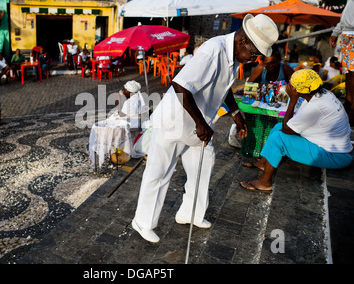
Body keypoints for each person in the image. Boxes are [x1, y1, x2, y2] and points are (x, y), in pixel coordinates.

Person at [131, 13, 278, 243]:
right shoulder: (213, 50)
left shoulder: (235, 56)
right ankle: (143, 222)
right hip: (176, 120)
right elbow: (180, 85)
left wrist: (236, 113)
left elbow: (225, 87)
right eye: (255, 53)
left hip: (199, 123)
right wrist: (200, 122)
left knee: (203, 166)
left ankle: (190, 214)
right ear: (243, 41)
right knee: (160, 172)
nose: (254, 58)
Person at [240, 69, 353, 192]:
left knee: (279, 138)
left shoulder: (316, 106)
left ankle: (265, 182)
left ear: (300, 90)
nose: (289, 87)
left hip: (336, 156)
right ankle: (263, 163)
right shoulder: (322, 93)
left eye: (291, 85)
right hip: (336, 150)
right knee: (278, 127)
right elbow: (288, 125)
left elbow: (287, 129)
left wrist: (292, 100)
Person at [330, 0, 354, 125]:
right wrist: (335, 31)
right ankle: (349, 104)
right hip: (346, 34)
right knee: (349, 73)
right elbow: (346, 13)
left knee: (353, 73)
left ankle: (352, 108)